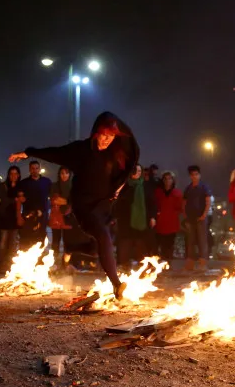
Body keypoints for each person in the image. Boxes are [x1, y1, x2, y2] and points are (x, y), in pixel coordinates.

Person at [9, 111, 140, 299]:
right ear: (96, 133)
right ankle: (117, 285)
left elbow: (129, 159)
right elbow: (55, 153)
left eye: (110, 136)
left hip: (104, 207)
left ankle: (74, 250)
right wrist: (29, 152)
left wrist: (120, 186)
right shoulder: (80, 150)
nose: (106, 140)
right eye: (103, 135)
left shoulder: (115, 153)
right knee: (103, 238)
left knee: (99, 248)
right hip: (84, 206)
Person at [115, 163, 156, 269]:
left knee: (141, 244)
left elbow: (151, 202)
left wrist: (152, 217)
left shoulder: (145, 186)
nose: (137, 173)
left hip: (142, 221)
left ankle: (142, 268)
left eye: (139, 171)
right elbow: (118, 203)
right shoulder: (124, 186)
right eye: (135, 171)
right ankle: (123, 266)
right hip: (126, 220)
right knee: (125, 243)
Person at [182, 165, 212, 271]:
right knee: (190, 241)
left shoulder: (204, 187)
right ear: (190, 176)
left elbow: (208, 201)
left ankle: (203, 263)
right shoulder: (188, 188)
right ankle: (190, 263)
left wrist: (204, 215)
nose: (194, 176)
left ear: (199, 175)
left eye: (196, 174)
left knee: (202, 240)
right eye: (192, 175)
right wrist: (185, 215)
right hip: (190, 218)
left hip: (201, 218)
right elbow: (184, 202)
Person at [17, 160, 51, 248]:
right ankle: (25, 258)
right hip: (28, 214)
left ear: (39, 169)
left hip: (42, 215)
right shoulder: (24, 183)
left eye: (36, 168)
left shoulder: (46, 181)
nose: (35, 170)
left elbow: (52, 197)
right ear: (29, 169)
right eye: (32, 168)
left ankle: (40, 259)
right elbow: (20, 198)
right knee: (26, 237)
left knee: (41, 236)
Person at [0, 166, 23, 269]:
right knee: (3, 242)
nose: (13, 176)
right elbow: (2, 200)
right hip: (4, 217)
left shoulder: (20, 186)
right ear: (8, 175)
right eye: (11, 174)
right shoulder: (3, 186)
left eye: (16, 174)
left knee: (13, 243)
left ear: (19, 175)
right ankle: (1, 264)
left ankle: (11, 264)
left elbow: (23, 199)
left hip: (15, 217)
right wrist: (15, 200)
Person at [154, 171, 184, 262]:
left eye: (170, 178)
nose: (167, 181)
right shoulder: (158, 192)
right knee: (160, 244)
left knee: (170, 244)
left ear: (173, 180)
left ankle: (168, 263)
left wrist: (175, 213)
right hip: (160, 222)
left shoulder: (177, 193)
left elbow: (181, 207)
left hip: (172, 223)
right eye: (165, 179)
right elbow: (154, 204)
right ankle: (161, 263)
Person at [48, 166, 74, 266]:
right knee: (56, 241)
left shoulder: (73, 186)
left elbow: (75, 200)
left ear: (69, 174)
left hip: (69, 216)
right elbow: (54, 200)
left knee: (68, 241)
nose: (64, 175)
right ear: (59, 174)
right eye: (62, 173)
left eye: (66, 173)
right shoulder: (55, 185)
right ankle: (54, 263)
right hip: (56, 217)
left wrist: (65, 202)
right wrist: (67, 201)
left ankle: (66, 264)